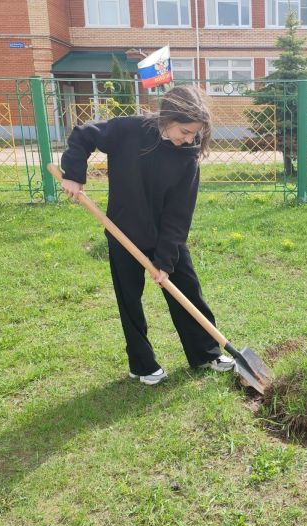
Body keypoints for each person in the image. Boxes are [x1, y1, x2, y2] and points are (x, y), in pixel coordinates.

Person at [59, 85, 235, 385]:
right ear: (167, 118)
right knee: (129, 299)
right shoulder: (129, 130)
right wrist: (74, 174)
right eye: (185, 130)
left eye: (195, 134)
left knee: (187, 290)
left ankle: (205, 353)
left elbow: (179, 216)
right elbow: (84, 134)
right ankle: (141, 364)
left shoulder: (188, 159)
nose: (189, 139)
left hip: (164, 236)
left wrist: (165, 261)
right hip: (122, 230)